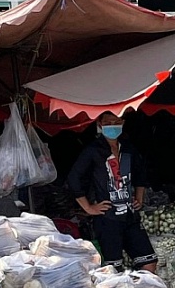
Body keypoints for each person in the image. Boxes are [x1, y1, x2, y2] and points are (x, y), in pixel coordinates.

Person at [67, 112, 157, 273]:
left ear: (123, 122)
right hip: (107, 219)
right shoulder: (93, 150)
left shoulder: (128, 148)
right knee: (113, 269)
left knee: (149, 263)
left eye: (116, 122)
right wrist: (88, 207)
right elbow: (74, 178)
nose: (113, 126)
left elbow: (140, 174)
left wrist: (139, 198)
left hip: (130, 216)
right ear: (100, 124)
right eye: (108, 123)